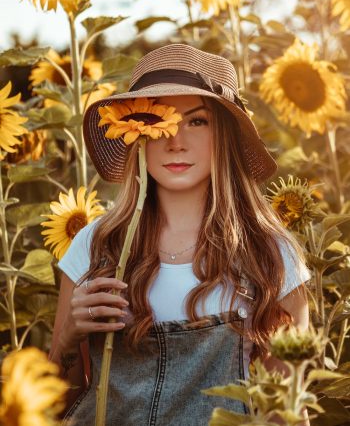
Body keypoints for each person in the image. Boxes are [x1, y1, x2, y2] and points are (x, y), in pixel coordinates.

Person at [49, 44, 311, 426]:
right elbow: (55, 406)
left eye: (196, 121)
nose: (175, 140)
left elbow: (286, 413)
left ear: (224, 133)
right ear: (136, 132)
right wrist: (69, 339)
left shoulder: (269, 253)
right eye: (159, 121)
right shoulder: (95, 246)